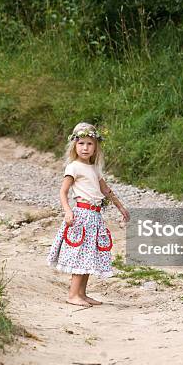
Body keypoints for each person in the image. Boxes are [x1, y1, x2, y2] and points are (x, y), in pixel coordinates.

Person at [47, 122, 130, 307]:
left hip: (95, 217)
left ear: (96, 147)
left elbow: (106, 190)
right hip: (81, 216)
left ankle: (82, 294)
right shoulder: (73, 167)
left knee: (89, 255)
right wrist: (68, 211)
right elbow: (63, 192)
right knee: (80, 255)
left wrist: (121, 207)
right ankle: (72, 294)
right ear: (74, 146)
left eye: (89, 144)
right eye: (81, 143)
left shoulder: (93, 168)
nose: (85, 147)